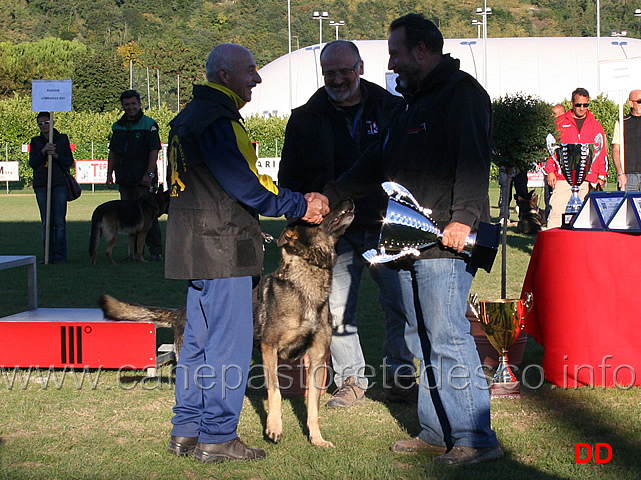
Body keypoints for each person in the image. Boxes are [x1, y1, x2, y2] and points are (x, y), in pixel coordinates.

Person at [323, 14, 502, 465]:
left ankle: (475, 439)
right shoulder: (407, 104)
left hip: (445, 242)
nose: (391, 61)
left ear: (421, 50)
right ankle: (436, 431)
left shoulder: (462, 95)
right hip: (403, 241)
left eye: (396, 52)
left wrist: (463, 219)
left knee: (446, 336)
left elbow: (475, 162)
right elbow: (373, 162)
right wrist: (327, 195)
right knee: (422, 336)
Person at [164, 43, 329, 464]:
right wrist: (299, 205)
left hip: (191, 248)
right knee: (228, 347)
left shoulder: (184, 118)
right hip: (224, 251)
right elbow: (245, 187)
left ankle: (186, 431)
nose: (256, 78)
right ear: (223, 75)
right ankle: (218, 436)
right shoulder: (218, 120)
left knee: (197, 345)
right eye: (250, 71)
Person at [278, 40, 416, 408]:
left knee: (399, 304)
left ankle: (402, 377)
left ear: (360, 68)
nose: (338, 79)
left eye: (344, 71)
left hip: (385, 224)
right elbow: (289, 178)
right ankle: (351, 381)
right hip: (329, 234)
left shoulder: (393, 109)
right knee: (336, 311)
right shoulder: (305, 117)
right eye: (330, 73)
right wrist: (302, 219)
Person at [106, 89, 164, 261]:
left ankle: (155, 251)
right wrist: (109, 173)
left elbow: (154, 151)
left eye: (133, 104)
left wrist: (149, 174)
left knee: (149, 217)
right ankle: (133, 254)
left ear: (139, 104)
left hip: (143, 180)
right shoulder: (118, 126)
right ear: (122, 106)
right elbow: (113, 152)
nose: (130, 107)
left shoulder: (149, 124)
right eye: (126, 104)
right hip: (125, 178)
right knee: (128, 217)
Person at [545, 88, 608, 228]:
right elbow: (550, 149)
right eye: (578, 105)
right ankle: (552, 246)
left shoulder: (596, 126)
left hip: (587, 179)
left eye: (585, 105)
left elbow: (601, 152)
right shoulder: (559, 123)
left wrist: (602, 175)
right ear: (572, 103)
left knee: (586, 217)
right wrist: (550, 170)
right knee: (556, 212)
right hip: (563, 178)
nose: (582, 108)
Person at [29, 112, 74, 264]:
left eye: (46, 122)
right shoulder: (35, 141)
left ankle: (60, 256)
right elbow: (33, 163)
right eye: (40, 124)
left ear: (52, 122)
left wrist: (55, 155)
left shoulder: (62, 139)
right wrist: (43, 152)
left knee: (59, 222)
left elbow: (69, 161)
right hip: (42, 184)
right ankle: (47, 255)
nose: (44, 126)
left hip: (59, 184)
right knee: (46, 222)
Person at [612, 89, 641, 192]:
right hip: (628, 175)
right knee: (627, 206)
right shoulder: (622, 123)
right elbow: (616, 149)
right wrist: (620, 173)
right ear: (631, 103)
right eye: (639, 101)